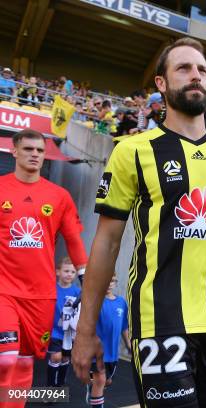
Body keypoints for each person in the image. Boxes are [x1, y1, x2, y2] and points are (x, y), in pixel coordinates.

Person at [72, 37, 206, 408]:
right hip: (158, 321)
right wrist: (86, 329)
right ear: (161, 84)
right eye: (183, 68)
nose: (196, 76)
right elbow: (107, 243)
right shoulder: (132, 151)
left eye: (202, 70)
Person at [0, 129, 88, 405]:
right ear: (14, 151)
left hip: (40, 295)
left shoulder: (59, 196)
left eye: (39, 150)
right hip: (4, 290)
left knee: (25, 363)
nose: (35, 154)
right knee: (6, 358)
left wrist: (85, 277)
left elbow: (74, 240)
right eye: (28, 149)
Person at [86, 274, 130, 408]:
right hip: (96, 352)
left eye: (112, 281)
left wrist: (128, 345)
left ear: (116, 283)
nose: (109, 283)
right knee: (100, 380)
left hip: (112, 353)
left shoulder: (121, 302)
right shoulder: (95, 302)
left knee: (107, 381)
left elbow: (124, 326)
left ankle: (91, 387)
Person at [47, 257, 81, 390]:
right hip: (54, 331)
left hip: (69, 333)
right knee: (56, 357)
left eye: (73, 272)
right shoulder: (51, 289)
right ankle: (50, 387)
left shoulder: (78, 292)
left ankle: (60, 383)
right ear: (58, 272)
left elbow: (80, 312)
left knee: (65, 359)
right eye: (66, 271)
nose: (69, 274)